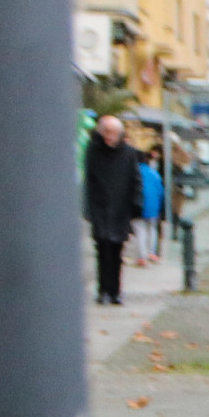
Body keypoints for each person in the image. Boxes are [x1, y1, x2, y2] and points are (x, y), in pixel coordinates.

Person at [82, 114, 142, 305]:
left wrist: (136, 205)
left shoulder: (129, 153)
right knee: (102, 251)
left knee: (116, 253)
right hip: (100, 209)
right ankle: (103, 291)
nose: (110, 137)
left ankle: (115, 291)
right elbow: (88, 182)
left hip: (120, 211)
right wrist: (88, 209)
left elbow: (136, 180)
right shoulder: (93, 151)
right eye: (107, 132)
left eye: (114, 133)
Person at [137, 145, 166, 264]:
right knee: (152, 229)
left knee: (140, 230)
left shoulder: (136, 172)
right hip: (153, 206)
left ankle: (142, 256)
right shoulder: (154, 173)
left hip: (139, 205)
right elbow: (161, 191)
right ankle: (152, 252)